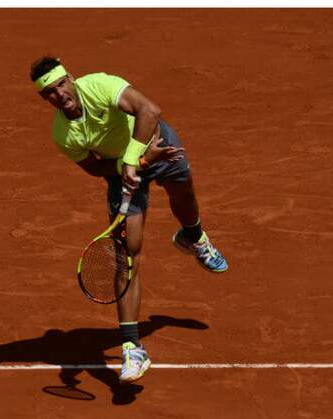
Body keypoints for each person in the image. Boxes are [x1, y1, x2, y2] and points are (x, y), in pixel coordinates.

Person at [29, 57, 228, 383]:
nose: (59, 94)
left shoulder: (99, 85)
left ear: (71, 78)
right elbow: (95, 167)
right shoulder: (63, 134)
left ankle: (193, 236)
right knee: (126, 255)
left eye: (61, 84)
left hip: (159, 145)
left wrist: (139, 158)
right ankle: (132, 348)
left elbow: (149, 110)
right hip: (123, 172)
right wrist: (129, 165)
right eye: (50, 92)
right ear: (44, 98)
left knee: (183, 197)